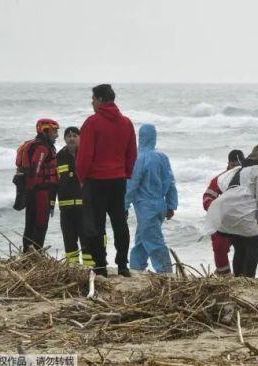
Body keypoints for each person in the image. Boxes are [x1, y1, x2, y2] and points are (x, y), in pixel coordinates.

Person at [77, 84, 137, 277]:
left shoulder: (92, 123)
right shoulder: (126, 123)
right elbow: (132, 153)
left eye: (93, 98)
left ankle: (101, 266)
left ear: (101, 99)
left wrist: (81, 177)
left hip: (96, 181)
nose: (91, 102)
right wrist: (126, 173)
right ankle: (122, 265)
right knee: (120, 222)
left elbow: (85, 155)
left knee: (96, 225)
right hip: (118, 180)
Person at [125, 124, 178, 273]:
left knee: (154, 242)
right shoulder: (162, 157)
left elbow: (132, 184)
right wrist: (171, 205)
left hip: (145, 206)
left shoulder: (139, 158)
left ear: (140, 137)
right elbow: (171, 182)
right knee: (142, 239)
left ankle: (165, 272)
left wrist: (124, 205)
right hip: (160, 204)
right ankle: (136, 268)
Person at [214, 144, 258, 278]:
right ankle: (249, 278)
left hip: (225, 212)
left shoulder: (239, 170)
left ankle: (238, 277)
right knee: (255, 244)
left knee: (239, 246)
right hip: (242, 213)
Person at [202, 149, 245, 276]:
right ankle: (224, 274)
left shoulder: (248, 178)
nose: (236, 168)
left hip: (242, 221)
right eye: (233, 165)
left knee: (244, 248)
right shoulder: (219, 180)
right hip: (222, 221)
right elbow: (207, 199)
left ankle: (241, 275)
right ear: (228, 164)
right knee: (219, 246)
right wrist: (217, 208)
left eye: (239, 165)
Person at [56, 127, 93, 267]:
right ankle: (73, 268)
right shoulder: (59, 157)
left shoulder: (86, 154)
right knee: (69, 240)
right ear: (65, 138)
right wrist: (51, 203)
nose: (71, 138)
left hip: (84, 207)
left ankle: (90, 268)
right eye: (68, 136)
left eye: (75, 135)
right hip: (66, 208)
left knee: (87, 239)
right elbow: (55, 182)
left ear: (80, 138)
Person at [22, 119, 59, 252]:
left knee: (31, 224)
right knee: (40, 224)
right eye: (54, 131)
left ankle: (28, 253)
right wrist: (32, 192)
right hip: (40, 192)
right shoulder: (42, 148)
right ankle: (35, 253)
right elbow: (35, 169)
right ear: (45, 131)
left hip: (36, 192)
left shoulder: (42, 145)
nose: (57, 135)